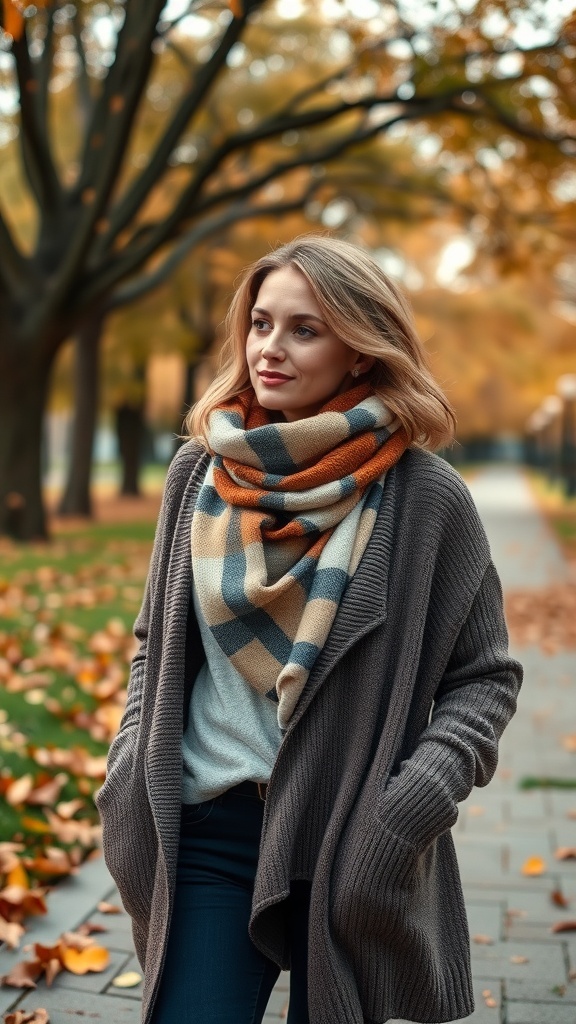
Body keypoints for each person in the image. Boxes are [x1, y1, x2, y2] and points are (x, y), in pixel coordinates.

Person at [96, 235, 522, 1024]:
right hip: (209, 826)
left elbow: (486, 678)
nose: (270, 349)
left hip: (346, 835)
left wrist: (403, 812)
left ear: (361, 352)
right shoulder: (198, 473)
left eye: (304, 329)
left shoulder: (426, 500)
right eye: (261, 324)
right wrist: (130, 761)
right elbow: (154, 640)